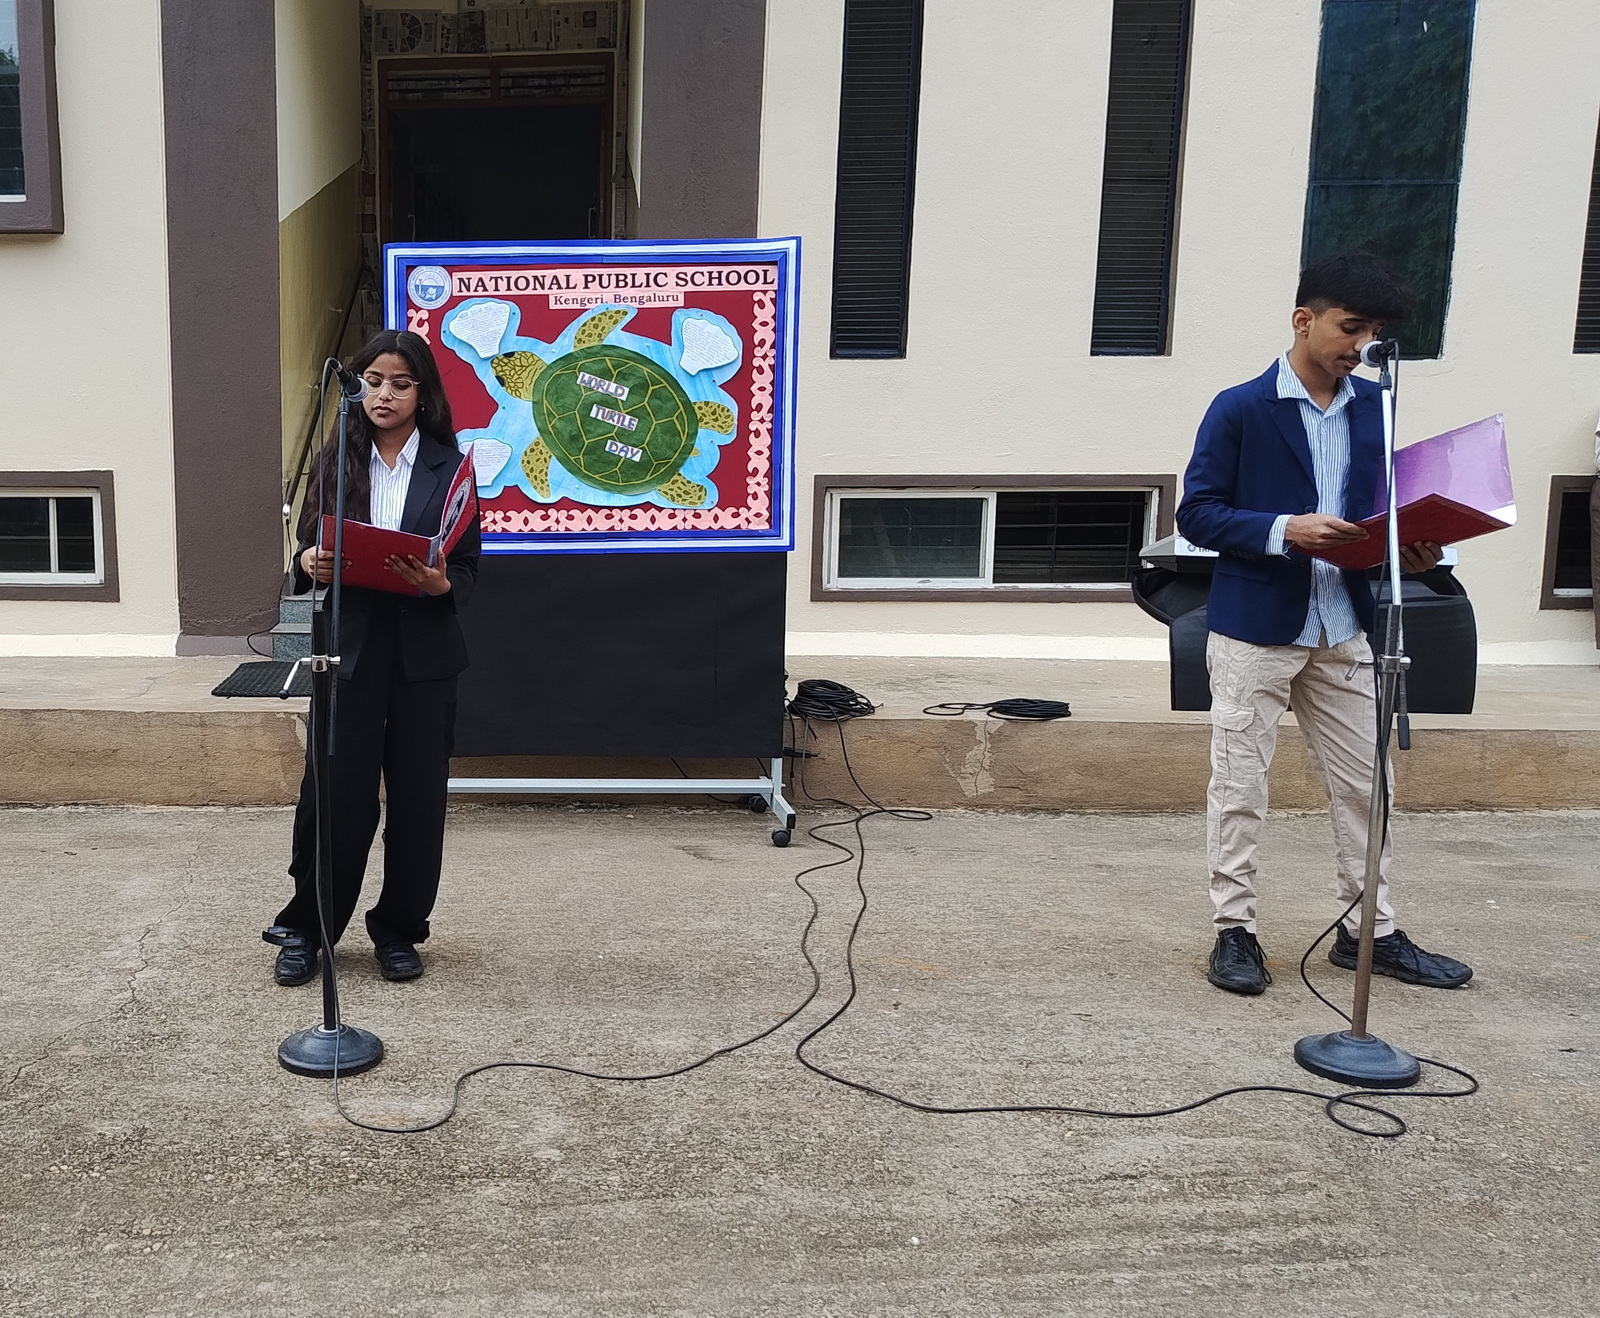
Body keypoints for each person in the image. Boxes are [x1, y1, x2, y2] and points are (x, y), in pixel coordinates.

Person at [1176, 252, 1473, 996]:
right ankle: (1234, 931)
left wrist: (1412, 545)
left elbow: (1378, 507)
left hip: (1345, 624)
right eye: (1351, 327)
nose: (1362, 344)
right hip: (1255, 627)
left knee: (1371, 786)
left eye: (1374, 332)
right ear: (1303, 320)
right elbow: (1197, 513)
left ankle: (1369, 931)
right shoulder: (1240, 406)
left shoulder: (1375, 404)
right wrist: (1284, 528)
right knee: (1240, 785)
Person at [262, 330, 481, 986]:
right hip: (347, 649)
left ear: (423, 394)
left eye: (401, 384)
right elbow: (306, 546)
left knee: (417, 800)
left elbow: (469, 570)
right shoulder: (337, 457)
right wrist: (308, 560)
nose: (385, 394)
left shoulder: (452, 468)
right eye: (374, 381)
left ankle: (399, 930)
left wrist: (440, 584)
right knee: (333, 797)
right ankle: (309, 929)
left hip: (423, 654)